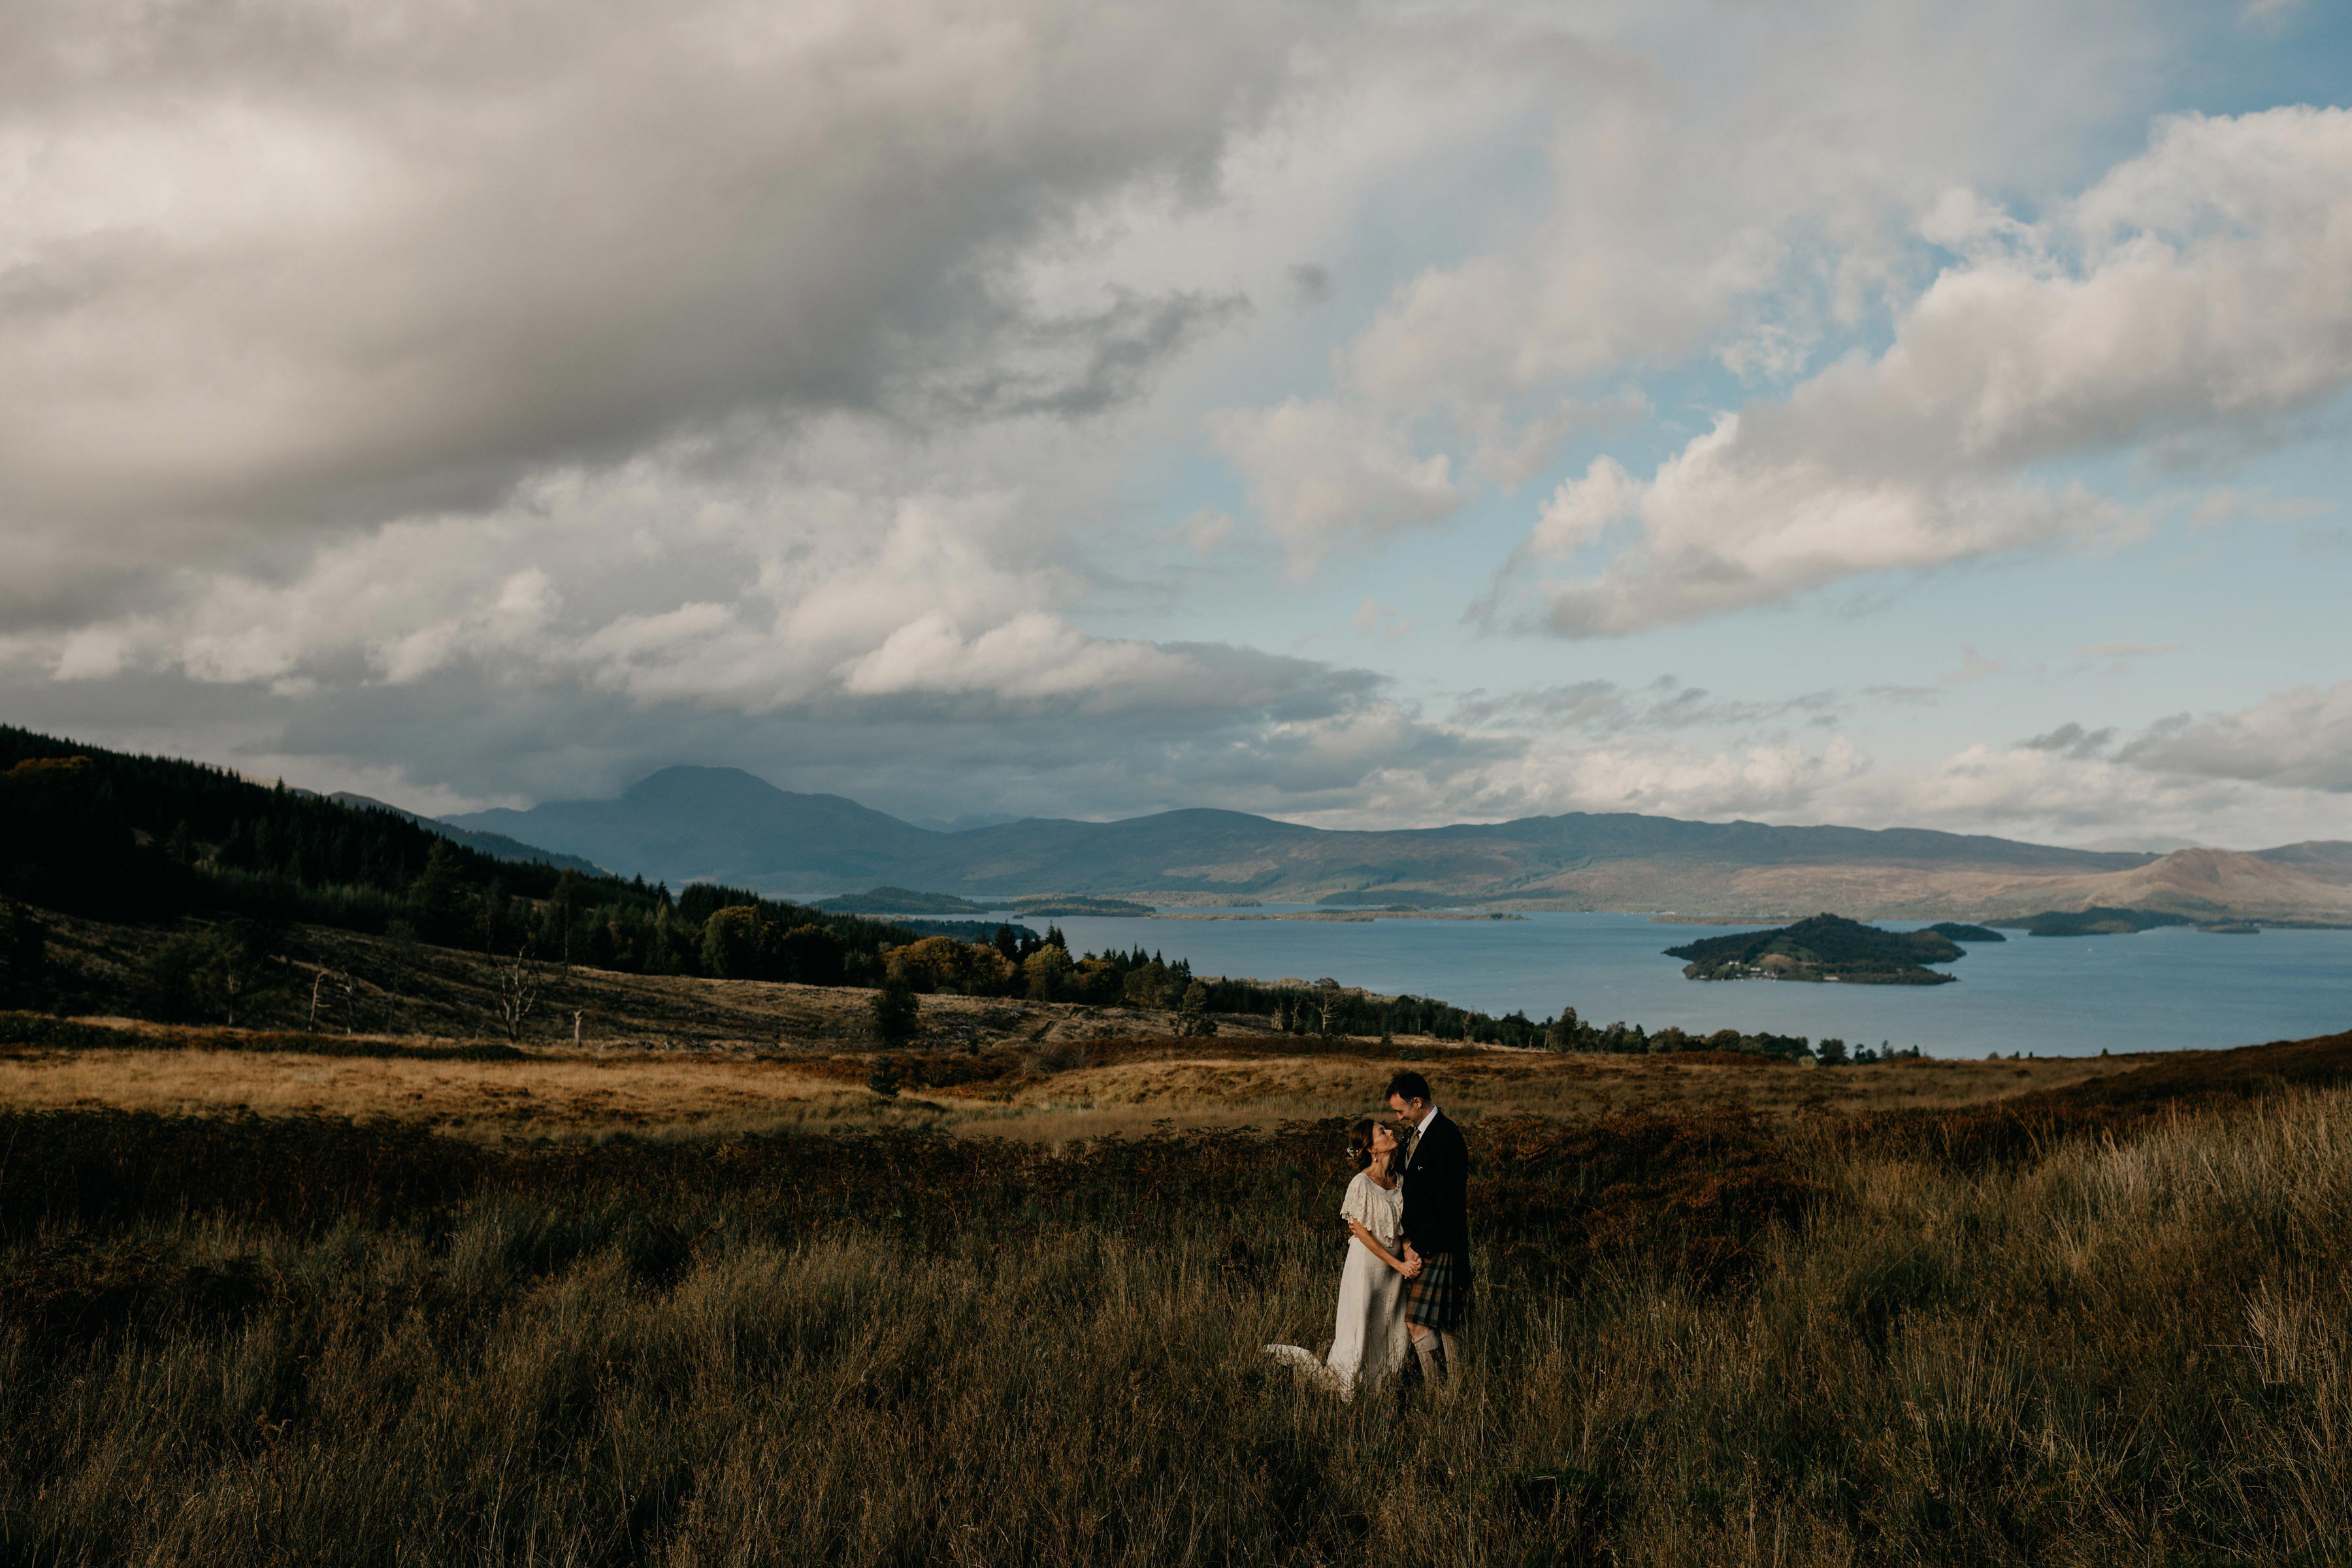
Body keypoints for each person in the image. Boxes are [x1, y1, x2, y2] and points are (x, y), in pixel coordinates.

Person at [1264, 1118, 1417, 1396]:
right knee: (1360, 1328)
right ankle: (1351, 1391)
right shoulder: (1361, 1183)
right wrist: (1399, 1264)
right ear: (1372, 1148)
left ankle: (1384, 1388)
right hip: (1367, 1269)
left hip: (1394, 1273)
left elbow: (1402, 1227)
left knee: (1392, 1328)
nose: (1391, 1132)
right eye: (1383, 1132)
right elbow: (1362, 1233)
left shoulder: (1401, 1182)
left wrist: (1407, 1253)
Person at [1388, 1068, 1470, 1390]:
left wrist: (1419, 1247)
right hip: (1424, 1242)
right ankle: (1448, 1391)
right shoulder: (1415, 1133)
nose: (1399, 1117)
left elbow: (1446, 1203)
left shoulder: (1446, 1136)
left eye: (1401, 1110)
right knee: (1441, 1322)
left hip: (1441, 1244)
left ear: (1417, 1101)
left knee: (1429, 1322)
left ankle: (1446, 1392)